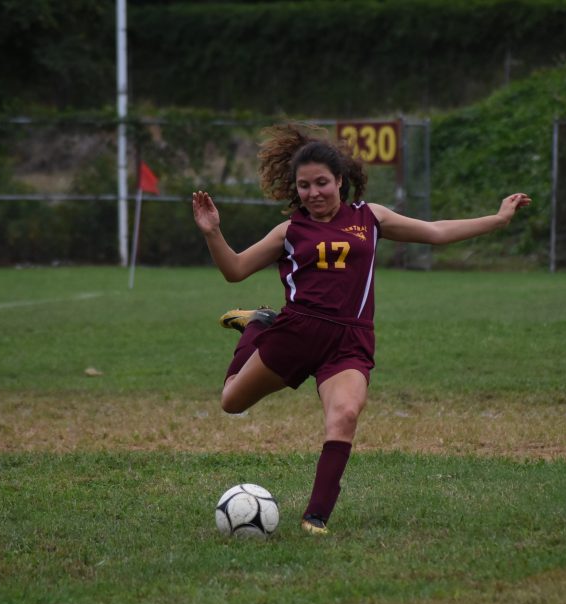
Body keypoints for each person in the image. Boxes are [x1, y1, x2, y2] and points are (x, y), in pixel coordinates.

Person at [192, 123, 530, 536]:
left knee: (346, 414)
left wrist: (497, 220)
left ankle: (315, 518)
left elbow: (437, 231)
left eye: (322, 183)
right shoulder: (290, 231)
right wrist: (213, 233)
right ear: (294, 189)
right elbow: (235, 270)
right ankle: (258, 326)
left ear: (340, 181)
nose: (314, 193)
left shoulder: (370, 217)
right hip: (296, 332)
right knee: (231, 402)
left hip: (349, 340)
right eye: (304, 186)